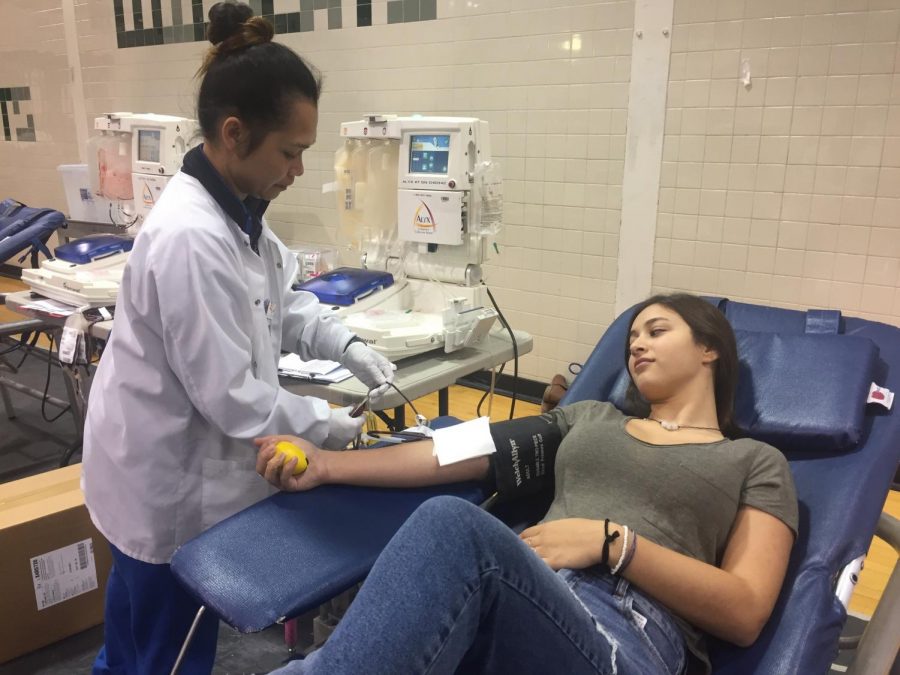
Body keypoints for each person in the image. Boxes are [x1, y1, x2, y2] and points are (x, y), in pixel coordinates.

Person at [82, 4, 396, 673]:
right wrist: (331, 425)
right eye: (291, 152)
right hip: (163, 482)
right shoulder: (191, 236)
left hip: (163, 465)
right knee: (163, 650)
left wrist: (348, 348)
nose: (298, 170)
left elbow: (285, 300)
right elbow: (234, 400)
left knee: (135, 637)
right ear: (233, 133)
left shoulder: (241, 215)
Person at [255, 293, 798, 675]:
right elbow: (464, 450)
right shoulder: (590, 418)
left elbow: (745, 610)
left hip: (625, 638)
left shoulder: (755, 461)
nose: (636, 347)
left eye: (657, 332)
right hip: (526, 598)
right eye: (632, 337)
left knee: (454, 526)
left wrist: (614, 544)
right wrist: (326, 465)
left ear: (711, 350)